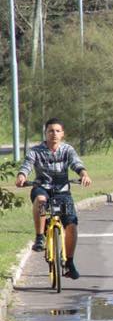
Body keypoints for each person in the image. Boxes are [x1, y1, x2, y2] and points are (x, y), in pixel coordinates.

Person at [15, 118, 92, 279]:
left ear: (62, 133)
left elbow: (76, 164)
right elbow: (27, 165)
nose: (54, 134)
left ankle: (69, 263)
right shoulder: (36, 151)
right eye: (51, 131)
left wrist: (84, 175)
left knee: (71, 225)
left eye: (57, 131)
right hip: (42, 187)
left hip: (62, 191)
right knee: (41, 200)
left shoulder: (67, 150)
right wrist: (22, 176)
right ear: (46, 133)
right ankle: (39, 238)